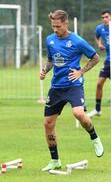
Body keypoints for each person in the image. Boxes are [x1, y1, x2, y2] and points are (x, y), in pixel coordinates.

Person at [40, 10, 104, 171]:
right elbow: (50, 60)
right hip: (56, 87)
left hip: (73, 85)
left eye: (58, 26)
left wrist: (81, 72)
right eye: (53, 26)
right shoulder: (50, 40)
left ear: (66, 23)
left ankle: (94, 137)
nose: (55, 29)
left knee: (78, 113)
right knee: (48, 124)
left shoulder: (77, 41)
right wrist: (44, 70)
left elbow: (95, 58)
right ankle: (55, 160)